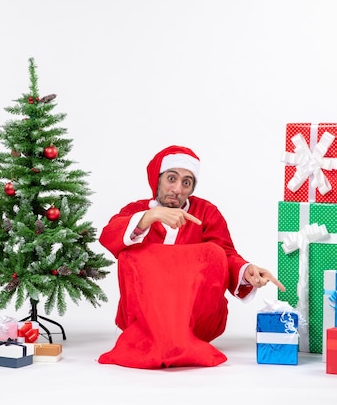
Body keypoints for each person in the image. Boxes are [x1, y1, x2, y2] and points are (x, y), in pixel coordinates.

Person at [97, 145, 285, 369]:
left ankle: (183, 339)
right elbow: (109, 237)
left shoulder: (207, 213)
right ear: (156, 179)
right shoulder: (137, 211)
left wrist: (246, 271)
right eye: (171, 178)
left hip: (196, 321)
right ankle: (158, 338)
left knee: (214, 253)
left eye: (186, 182)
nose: (177, 189)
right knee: (131, 253)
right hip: (144, 318)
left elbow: (226, 254)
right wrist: (149, 217)